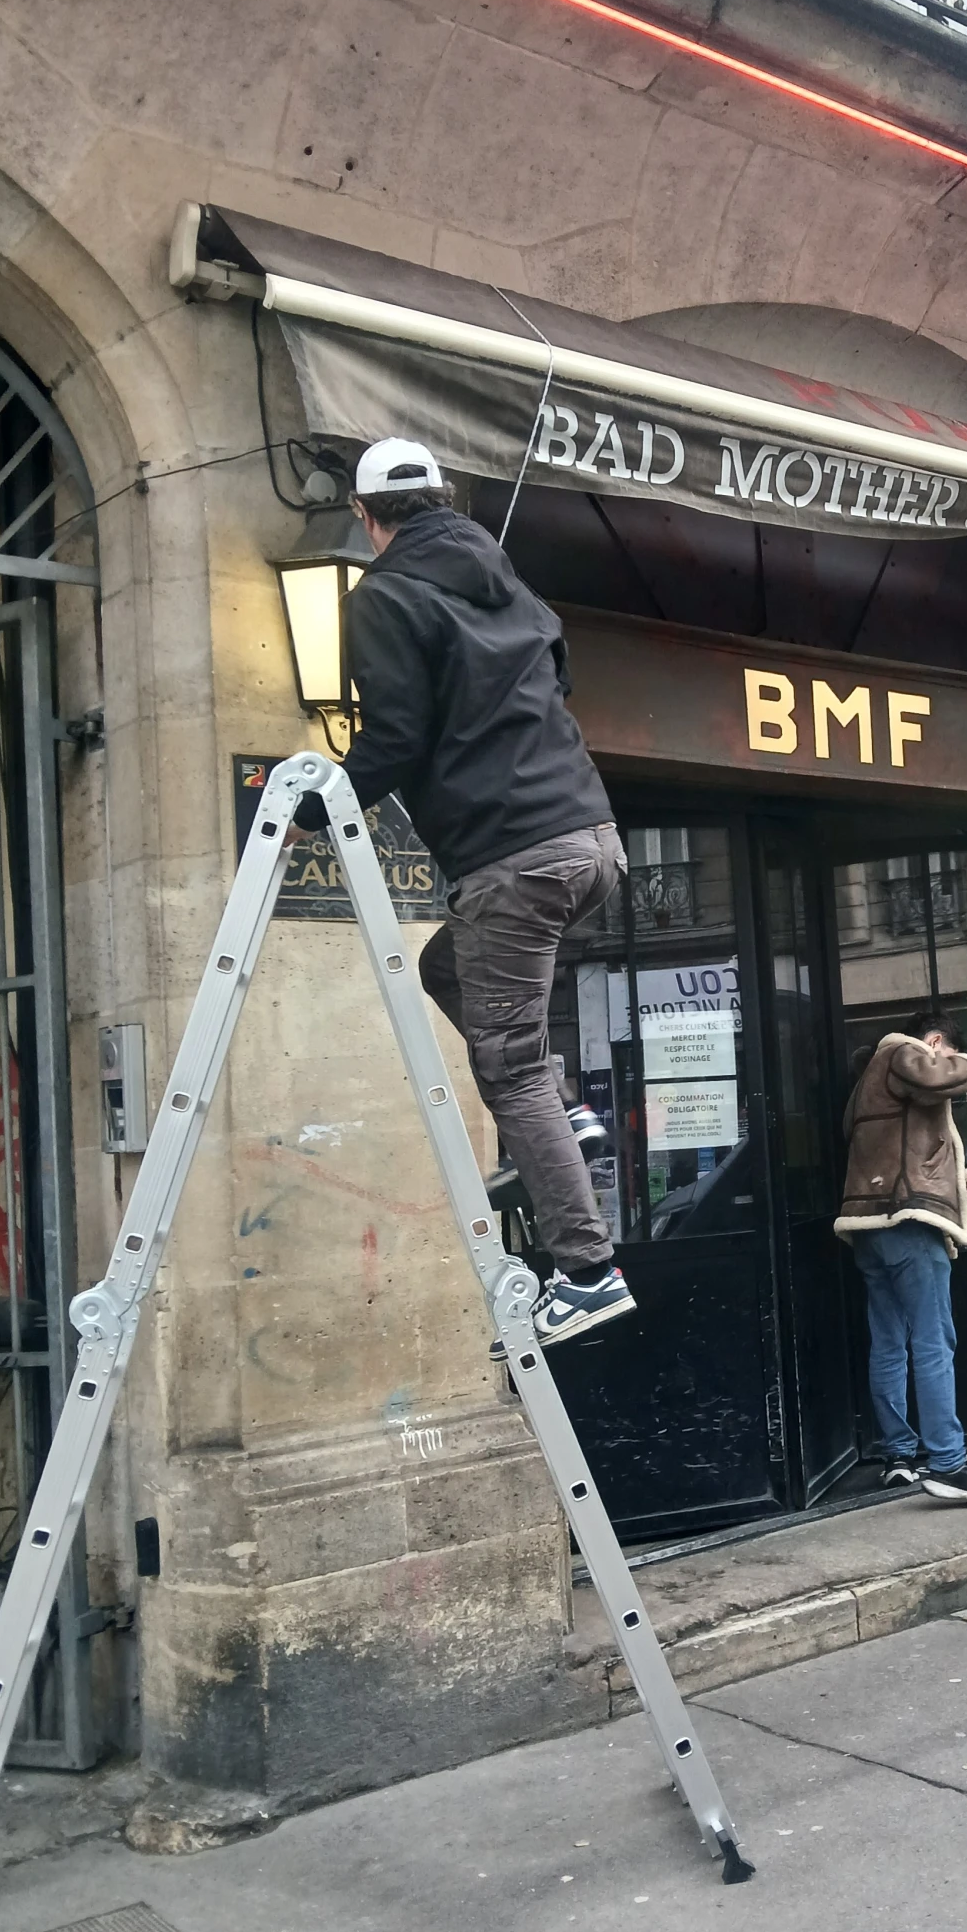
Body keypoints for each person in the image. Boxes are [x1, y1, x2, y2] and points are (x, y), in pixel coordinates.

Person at [290, 437, 635, 1349]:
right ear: (444, 499)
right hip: (592, 841)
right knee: (446, 967)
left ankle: (588, 1274)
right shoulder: (508, 583)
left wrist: (309, 813)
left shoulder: (383, 597)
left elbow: (394, 739)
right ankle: (571, 1115)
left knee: (507, 1067)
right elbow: (558, 677)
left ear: (366, 517)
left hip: (513, 860)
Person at [834, 1013, 967, 1505]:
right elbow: (939, 1079)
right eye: (947, 1053)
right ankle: (947, 1463)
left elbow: (915, 1154)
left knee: (889, 1343)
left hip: (870, 1227)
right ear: (935, 1042)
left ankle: (899, 1455)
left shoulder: (870, 1082)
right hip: (909, 1224)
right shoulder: (902, 1053)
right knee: (934, 1342)